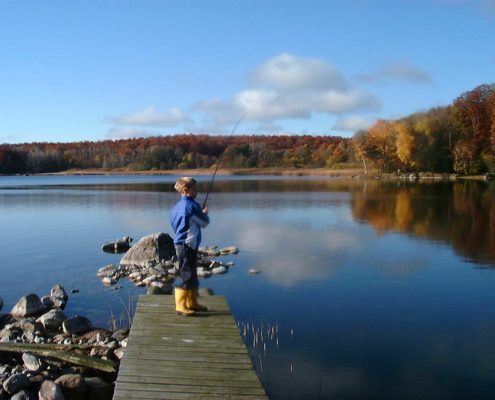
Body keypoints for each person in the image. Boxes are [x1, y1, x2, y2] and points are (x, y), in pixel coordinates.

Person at [170, 177, 210, 316]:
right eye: (194, 189)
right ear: (186, 191)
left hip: (181, 244)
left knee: (191, 274)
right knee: (188, 275)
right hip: (188, 244)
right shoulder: (192, 206)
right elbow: (203, 223)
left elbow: (175, 225)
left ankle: (192, 303)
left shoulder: (176, 207)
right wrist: (204, 214)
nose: (197, 191)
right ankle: (181, 306)